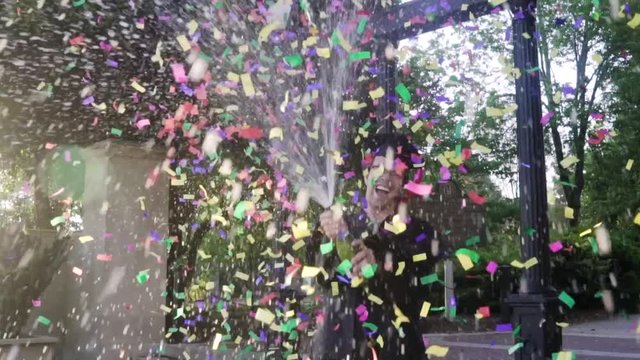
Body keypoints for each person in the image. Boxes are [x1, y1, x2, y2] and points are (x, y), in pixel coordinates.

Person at [307, 133, 451, 360]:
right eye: (378, 167)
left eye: (395, 172)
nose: (386, 176)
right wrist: (329, 239)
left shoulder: (421, 233)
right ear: (367, 175)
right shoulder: (338, 224)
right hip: (338, 346)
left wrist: (379, 262)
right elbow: (321, 276)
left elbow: (416, 285)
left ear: (403, 184)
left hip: (396, 349)